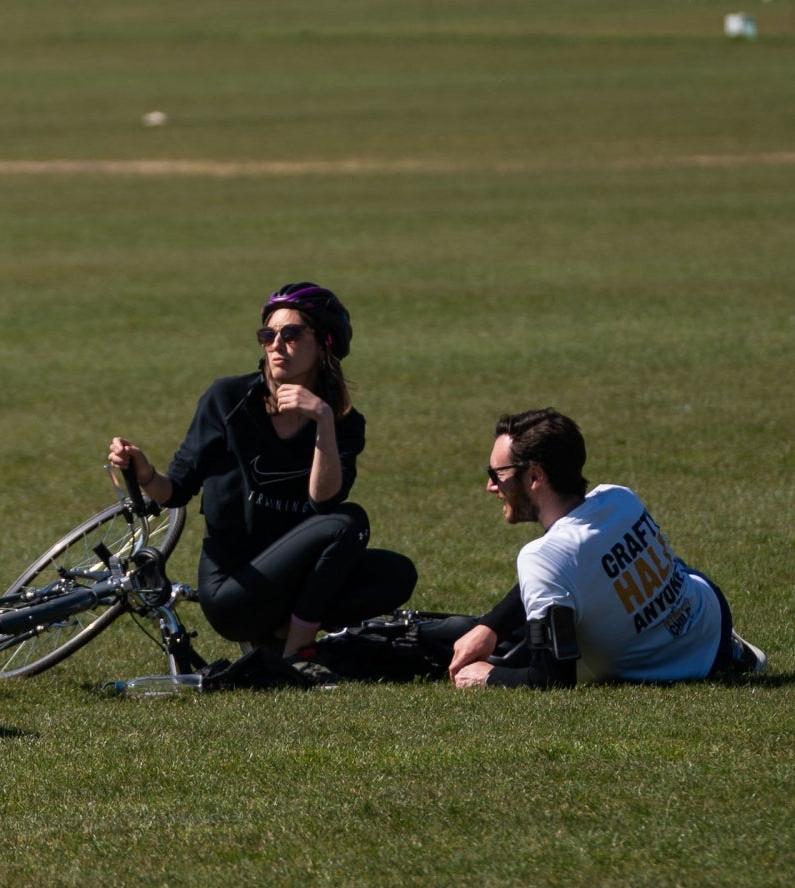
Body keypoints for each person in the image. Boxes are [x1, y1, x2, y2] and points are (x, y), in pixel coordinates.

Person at [109, 282, 416, 665]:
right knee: (349, 521)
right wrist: (144, 471)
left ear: (324, 344)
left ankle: (282, 635)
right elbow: (175, 491)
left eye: (291, 334)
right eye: (268, 335)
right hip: (233, 591)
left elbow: (324, 498)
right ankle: (298, 653)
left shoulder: (344, 423)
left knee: (396, 573)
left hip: (291, 582)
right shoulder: (228, 399)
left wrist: (322, 421)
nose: (276, 345)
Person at [446, 409, 766, 688]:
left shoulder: (540, 557)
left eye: (497, 475)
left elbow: (551, 678)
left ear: (534, 476)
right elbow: (565, 566)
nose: (491, 486)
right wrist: (490, 625)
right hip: (709, 613)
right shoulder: (619, 498)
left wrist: (485, 676)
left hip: (682, 666)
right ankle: (729, 649)